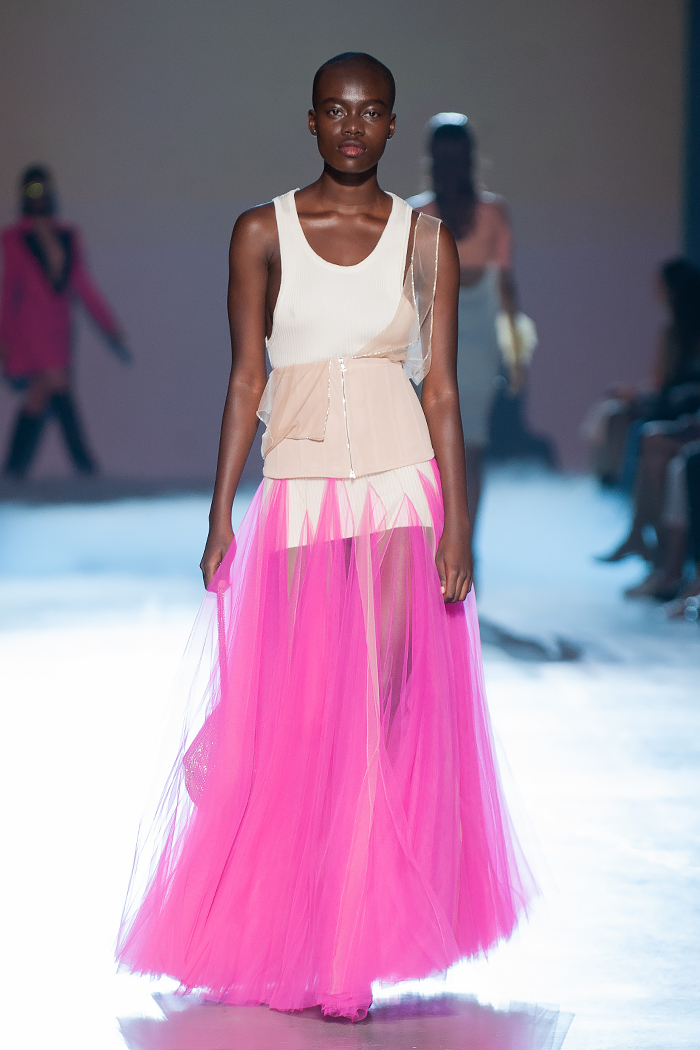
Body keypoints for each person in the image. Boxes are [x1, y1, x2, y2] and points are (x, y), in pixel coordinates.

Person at [116, 54, 534, 1022]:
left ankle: (347, 951)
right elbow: (244, 379)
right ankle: (293, 916)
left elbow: (440, 391)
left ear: (391, 125)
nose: (353, 126)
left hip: (400, 489)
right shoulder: (260, 232)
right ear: (312, 122)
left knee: (377, 711)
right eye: (337, 111)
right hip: (300, 489)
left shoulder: (426, 241)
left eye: (371, 112)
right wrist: (221, 512)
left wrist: (457, 526)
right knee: (306, 717)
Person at [408, 114, 527, 527]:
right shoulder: (419, 213)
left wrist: (516, 357)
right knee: (451, 450)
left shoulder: (424, 213)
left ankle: (457, 542)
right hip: (436, 347)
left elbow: (506, 288)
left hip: (459, 348)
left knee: (455, 449)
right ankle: (454, 542)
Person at [0, 165, 130, 478]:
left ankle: (12, 471)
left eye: (43, 188)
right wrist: (4, 338)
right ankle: (86, 468)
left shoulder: (68, 236)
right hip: (30, 330)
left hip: (59, 331)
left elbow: (83, 285)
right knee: (60, 387)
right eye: (32, 189)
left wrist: (109, 325)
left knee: (38, 396)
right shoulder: (14, 239)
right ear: (23, 194)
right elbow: (7, 292)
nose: (38, 195)